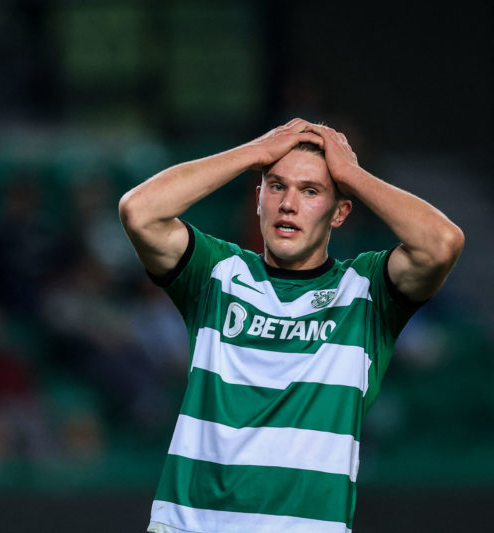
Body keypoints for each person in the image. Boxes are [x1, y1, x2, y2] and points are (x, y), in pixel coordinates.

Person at [118, 118, 464, 533]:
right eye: (277, 186)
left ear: (340, 212)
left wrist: (351, 174)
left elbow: (441, 243)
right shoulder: (217, 274)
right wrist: (255, 153)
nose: (288, 204)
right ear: (258, 198)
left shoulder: (365, 292)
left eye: (311, 191)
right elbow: (140, 212)